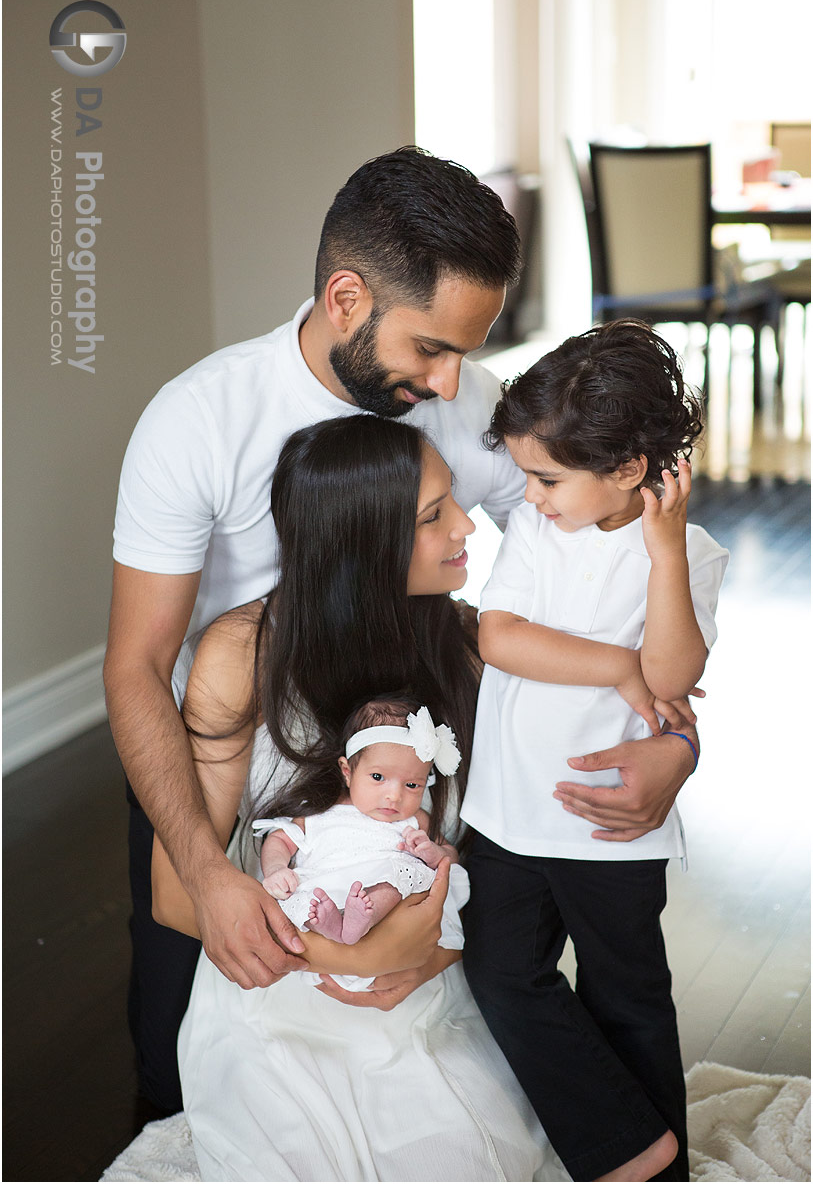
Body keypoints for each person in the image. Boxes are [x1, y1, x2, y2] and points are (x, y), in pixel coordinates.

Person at [105, 146, 701, 1116]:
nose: (452, 378)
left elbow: (620, 563)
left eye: (469, 347)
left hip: (398, 745)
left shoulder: (464, 408)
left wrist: (675, 738)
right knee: (175, 1054)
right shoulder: (198, 422)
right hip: (220, 742)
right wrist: (210, 874)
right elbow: (133, 664)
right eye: (430, 346)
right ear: (347, 298)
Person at [152, 416, 568, 1181]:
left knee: (461, 1156)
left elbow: (523, 852)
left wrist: (434, 949)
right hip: (277, 977)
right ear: (357, 541)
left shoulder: (474, 641)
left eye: (453, 503)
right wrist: (348, 952)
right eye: (432, 515)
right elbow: (176, 898)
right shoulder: (239, 654)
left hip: (437, 966)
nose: (467, 526)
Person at [460, 319, 729, 1181]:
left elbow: (675, 668)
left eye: (544, 477)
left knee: (628, 996)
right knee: (500, 973)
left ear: (624, 471)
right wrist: (617, 668)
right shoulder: (540, 532)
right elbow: (497, 636)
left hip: (611, 826)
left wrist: (660, 556)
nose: (527, 496)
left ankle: (660, 1165)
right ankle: (624, 1141)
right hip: (505, 813)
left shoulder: (687, 554)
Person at [253, 697, 467, 989]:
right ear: (347, 771)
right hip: (325, 883)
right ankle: (327, 923)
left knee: (394, 880)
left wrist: (434, 852)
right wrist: (276, 868)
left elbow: (450, 858)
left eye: (412, 785)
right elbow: (280, 841)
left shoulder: (416, 820)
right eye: (378, 777)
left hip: (381, 912)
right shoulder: (320, 811)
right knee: (306, 898)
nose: (394, 796)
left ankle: (356, 922)